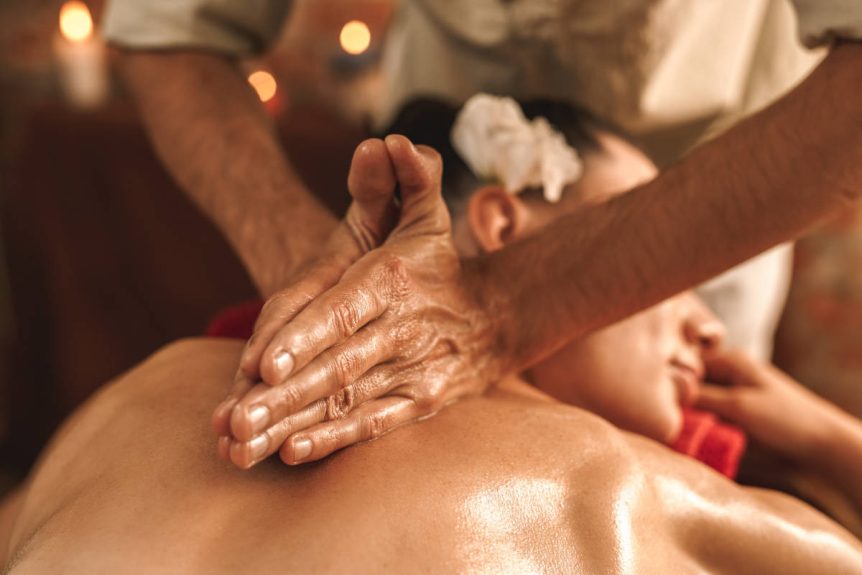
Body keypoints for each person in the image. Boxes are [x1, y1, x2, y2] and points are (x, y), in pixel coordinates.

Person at [2, 138, 861, 573]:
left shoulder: (131, 399)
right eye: (651, 240)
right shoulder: (631, 494)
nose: (707, 323)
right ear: (502, 223)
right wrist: (831, 438)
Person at [103, 0, 862, 463]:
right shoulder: (259, 376)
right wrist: (321, 283)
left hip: (731, 191)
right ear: (502, 219)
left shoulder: (688, 427)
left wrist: (819, 440)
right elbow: (167, 29)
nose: (707, 330)